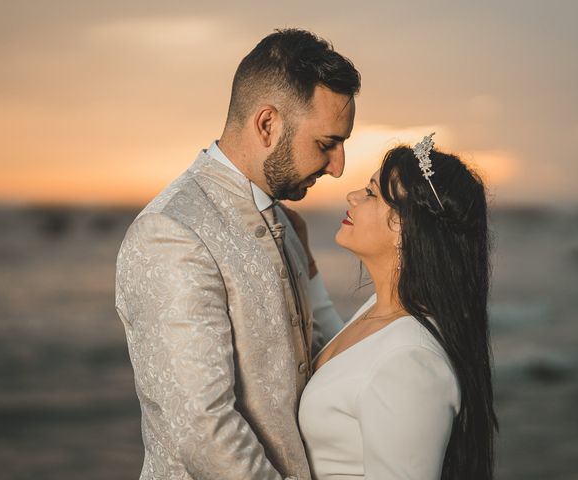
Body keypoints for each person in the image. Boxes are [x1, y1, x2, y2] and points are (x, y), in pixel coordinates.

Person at [115, 29, 359, 480]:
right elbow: (203, 428)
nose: (338, 166)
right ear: (267, 124)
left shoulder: (285, 221)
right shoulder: (171, 233)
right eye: (327, 144)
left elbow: (315, 361)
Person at [298, 134, 498, 479]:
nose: (353, 196)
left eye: (372, 192)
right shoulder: (384, 311)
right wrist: (306, 264)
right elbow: (352, 361)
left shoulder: (410, 361)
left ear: (405, 228)